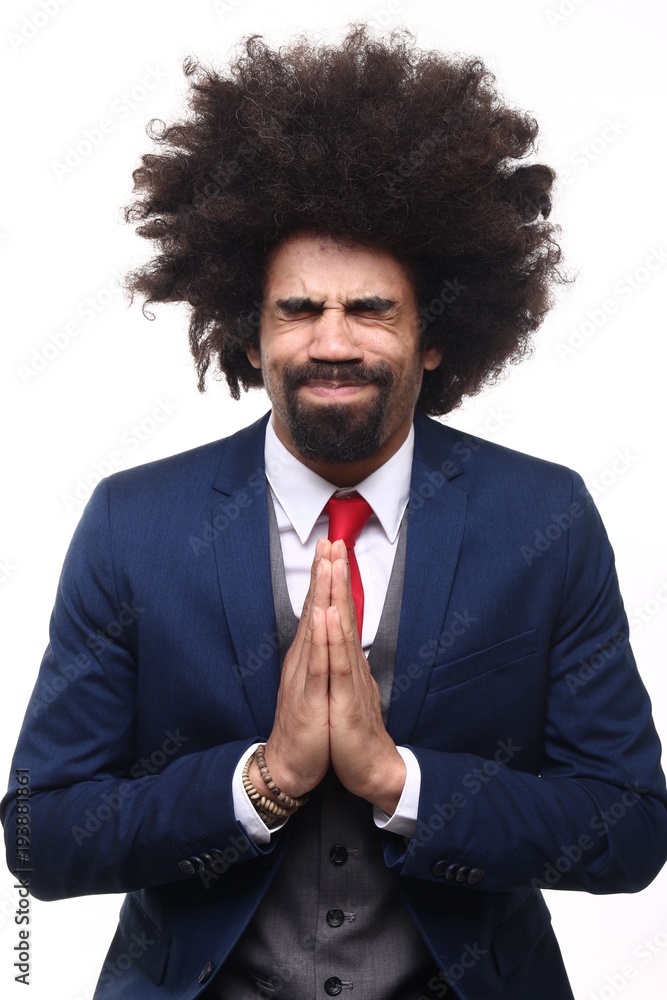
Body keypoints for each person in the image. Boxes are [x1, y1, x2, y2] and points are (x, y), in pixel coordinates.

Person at [3, 25, 667, 1000]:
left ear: (434, 336)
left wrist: (400, 781)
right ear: (249, 332)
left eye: (370, 309)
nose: (332, 341)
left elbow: (628, 825)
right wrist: (260, 782)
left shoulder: (544, 519)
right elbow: (41, 833)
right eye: (297, 309)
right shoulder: (132, 525)